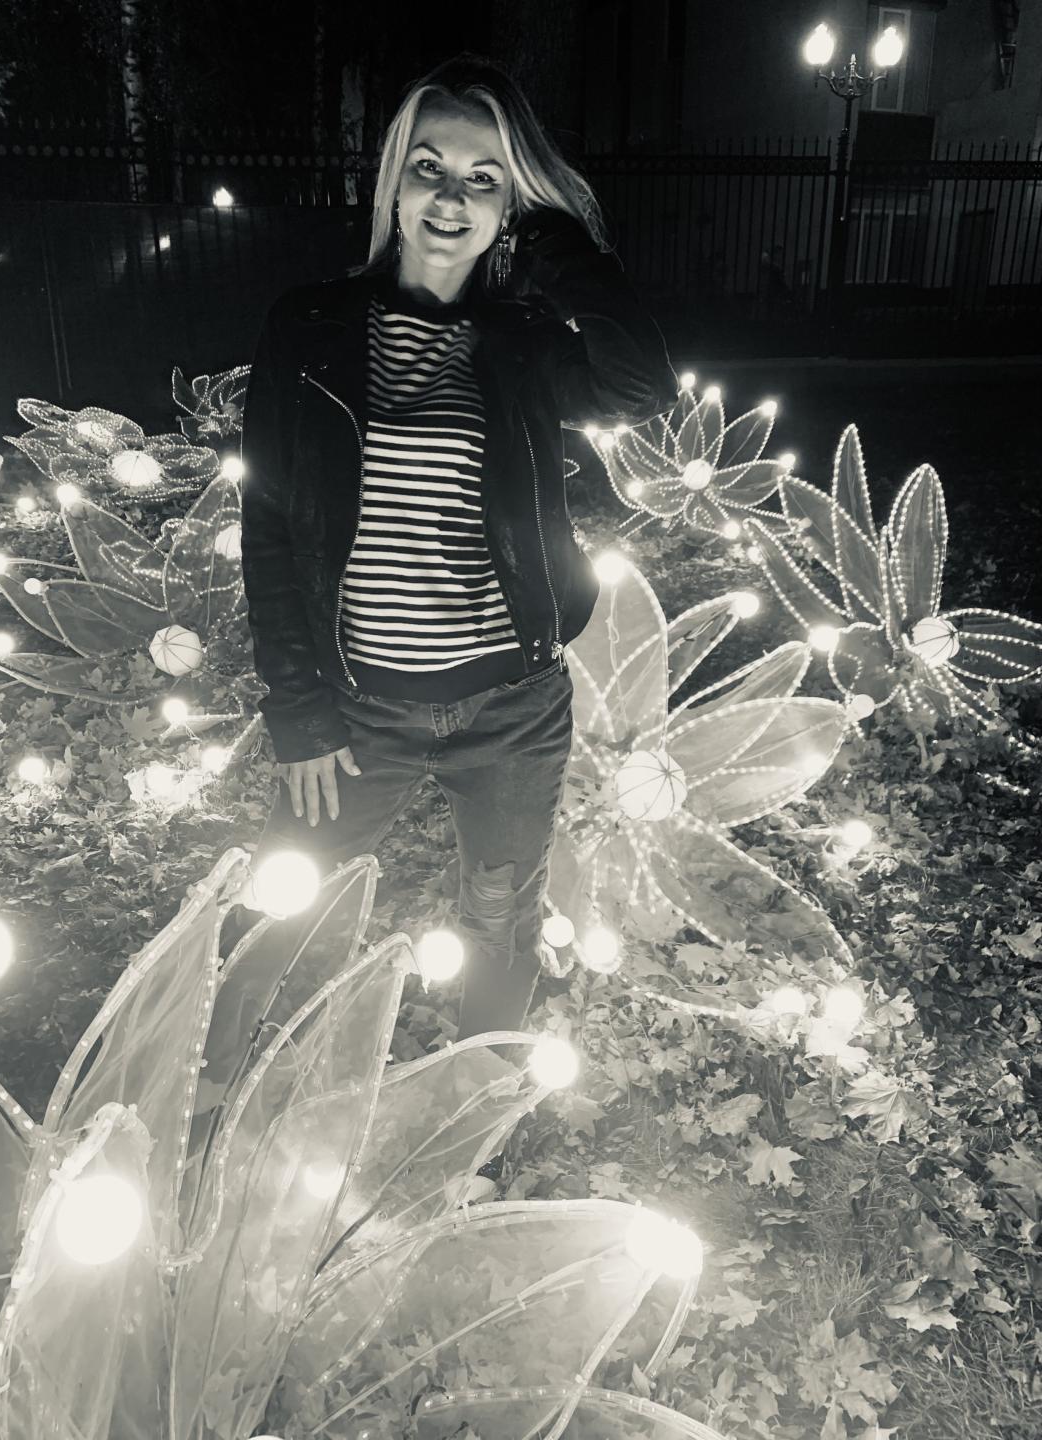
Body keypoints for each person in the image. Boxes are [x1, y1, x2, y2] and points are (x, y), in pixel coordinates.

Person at [237, 53, 677, 1045]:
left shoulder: (519, 342)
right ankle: (215, 1087)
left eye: (484, 180)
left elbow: (641, 386)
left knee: (501, 919)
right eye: (429, 167)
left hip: (511, 706)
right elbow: (269, 527)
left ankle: (481, 1089)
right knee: (277, 910)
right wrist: (298, 710)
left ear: (508, 206)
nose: (450, 198)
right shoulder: (309, 327)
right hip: (360, 706)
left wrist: (551, 242)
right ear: (393, 180)